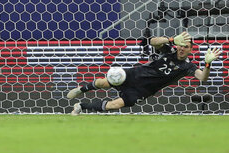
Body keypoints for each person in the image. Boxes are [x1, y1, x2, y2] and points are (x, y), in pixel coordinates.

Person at [67, 31, 222, 115]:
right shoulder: (168, 50)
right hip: (134, 75)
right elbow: (153, 41)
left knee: (114, 105)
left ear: (191, 50)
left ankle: (81, 106)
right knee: (104, 83)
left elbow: (202, 77)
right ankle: (80, 90)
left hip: (144, 90)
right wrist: (171, 39)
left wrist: (207, 64)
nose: (182, 48)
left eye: (186, 47)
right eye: (181, 45)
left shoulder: (188, 67)